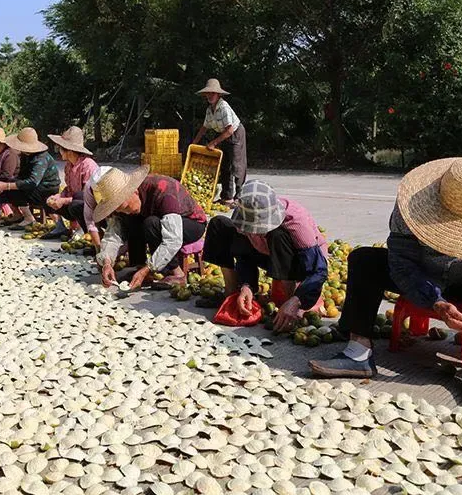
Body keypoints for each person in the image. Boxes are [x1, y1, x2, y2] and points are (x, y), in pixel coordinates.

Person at [309, 156, 462, 408]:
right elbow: (401, 265)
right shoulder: (410, 209)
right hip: (424, 278)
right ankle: (358, 352)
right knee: (364, 259)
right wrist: (435, 301)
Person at [201, 181, 328, 322]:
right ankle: (232, 293)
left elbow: (318, 270)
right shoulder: (245, 215)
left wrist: (297, 300)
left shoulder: (296, 221)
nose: (257, 232)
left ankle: (290, 302)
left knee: (277, 235)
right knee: (218, 224)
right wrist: (246, 285)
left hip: (299, 262)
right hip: (268, 254)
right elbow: (244, 254)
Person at [93, 166, 208, 289]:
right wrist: (107, 262)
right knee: (130, 219)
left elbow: (173, 240)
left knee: (151, 223)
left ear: (135, 191)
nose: (125, 211)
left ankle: (177, 274)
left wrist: (148, 268)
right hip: (160, 220)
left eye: (125, 207)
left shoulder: (162, 190)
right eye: (119, 210)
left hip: (191, 223)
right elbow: (113, 236)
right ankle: (138, 266)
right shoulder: (124, 207)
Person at [191, 78, 247, 206]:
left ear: (218, 95)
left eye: (213, 93)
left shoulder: (223, 107)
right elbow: (204, 128)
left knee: (236, 165)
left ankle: (239, 197)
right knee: (225, 165)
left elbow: (230, 130)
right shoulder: (209, 110)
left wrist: (214, 143)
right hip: (223, 134)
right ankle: (226, 197)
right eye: (208, 93)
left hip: (235, 133)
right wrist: (194, 143)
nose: (210, 96)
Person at [0, 127, 60, 227]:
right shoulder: (26, 156)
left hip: (46, 189)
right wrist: (4, 185)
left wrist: (7, 186)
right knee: (6, 186)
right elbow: (22, 176)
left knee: (13, 188)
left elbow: (32, 182)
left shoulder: (41, 158)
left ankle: (29, 218)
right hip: (33, 186)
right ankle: (17, 215)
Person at [44, 126, 98, 239]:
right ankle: (64, 227)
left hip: (90, 204)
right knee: (50, 200)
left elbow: (86, 196)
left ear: (69, 151)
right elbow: (69, 188)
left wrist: (63, 200)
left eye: (60, 148)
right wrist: (58, 196)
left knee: (75, 204)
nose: (59, 151)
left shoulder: (88, 165)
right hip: (75, 200)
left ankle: (84, 229)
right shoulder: (69, 165)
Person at [81, 165, 112, 250]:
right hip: (101, 213)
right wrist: (98, 248)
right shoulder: (89, 188)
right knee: (77, 205)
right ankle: (100, 242)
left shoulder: (119, 189)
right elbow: (90, 220)